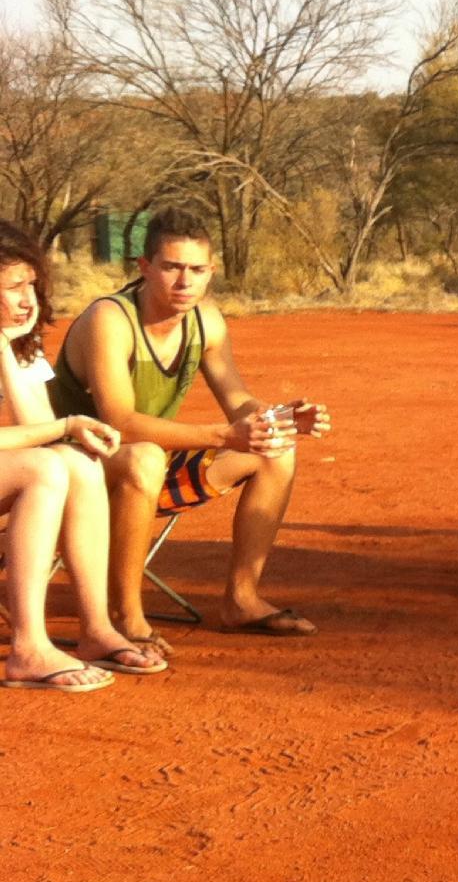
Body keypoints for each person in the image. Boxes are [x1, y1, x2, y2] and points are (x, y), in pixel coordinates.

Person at [49, 207, 331, 648]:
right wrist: (223, 435)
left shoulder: (206, 321)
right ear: (144, 267)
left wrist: (277, 418)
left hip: (149, 469)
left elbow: (237, 400)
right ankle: (126, 616)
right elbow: (119, 422)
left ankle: (242, 599)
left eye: (197, 270)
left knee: (275, 449)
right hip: (79, 473)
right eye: (172, 268)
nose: (185, 282)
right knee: (143, 456)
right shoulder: (110, 319)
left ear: (211, 272)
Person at [0, 222, 162, 690]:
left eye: (31, 284)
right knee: (50, 465)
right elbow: (43, 441)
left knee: (76, 461)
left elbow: (37, 435)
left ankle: (95, 630)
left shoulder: (17, 338)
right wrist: (67, 426)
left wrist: (7, 351)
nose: (29, 300)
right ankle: (28, 646)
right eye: (14, 288)